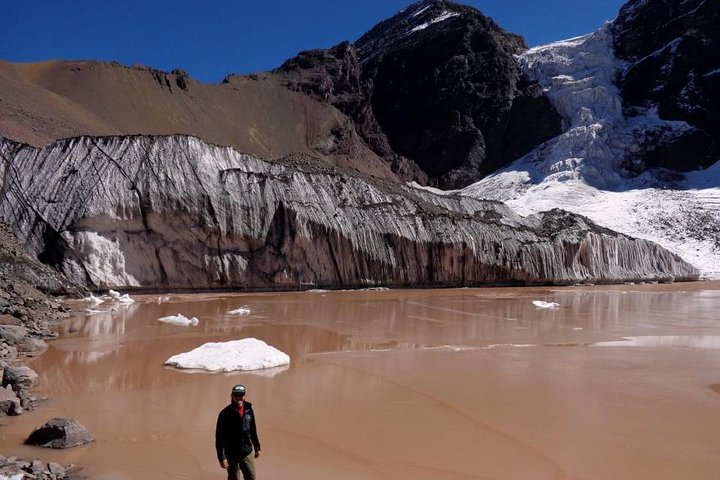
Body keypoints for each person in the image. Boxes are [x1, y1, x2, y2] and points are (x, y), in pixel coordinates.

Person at [215, 384, 261, 480]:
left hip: (247, 451)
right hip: (232, 453)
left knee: (251, 477)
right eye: (236, 395)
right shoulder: (224, 413)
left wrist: (257, 447)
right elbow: (219, 437)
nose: (239, 397)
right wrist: (222, 457)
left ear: (244, 396)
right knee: (234, 478)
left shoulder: (249, 410)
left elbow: (253, 430)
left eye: (241, 395)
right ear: (232, 396)